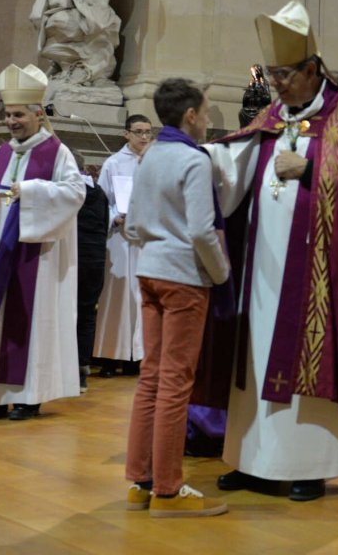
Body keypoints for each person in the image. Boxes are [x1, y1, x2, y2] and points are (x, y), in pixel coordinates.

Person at [201, 0, 338, 502]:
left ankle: (306, 465)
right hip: (263, 267)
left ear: (312, 70)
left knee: (304, 358)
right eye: (272, 76)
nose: (277, 86)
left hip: (320, 271)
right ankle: (251, 460)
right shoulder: (273, 115)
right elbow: (243, 158)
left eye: (285, 76)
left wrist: (312, 171)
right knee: (254, 358)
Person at [122, 78, 230, 518]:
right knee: (175, 383)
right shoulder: (192, 160)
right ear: (189, 116)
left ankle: (140, 481)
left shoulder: (147, 156)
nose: (207, 121)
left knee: (151, 378)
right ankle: (168, 491)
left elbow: (131, 224)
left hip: (148, 271)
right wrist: (220, 274)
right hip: (184, 277)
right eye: (205, 113)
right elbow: (203, 231)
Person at [0, 63, 86, 421]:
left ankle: (29, 396)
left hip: (39, 253)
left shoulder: (56, 152)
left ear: (37, 114)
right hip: (0, 249)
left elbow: (75, 191)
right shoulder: (1, 154)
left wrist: (32, 191)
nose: (11, 121)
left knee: (32, 321)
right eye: (7, 114)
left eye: (18, 114)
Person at [93, 114, 153, 377]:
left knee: (141, 296)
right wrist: (114, 217)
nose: (143, 137)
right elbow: (99, 203)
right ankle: (109, 356)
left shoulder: (154, 162)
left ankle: (137, 357)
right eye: (138, 131)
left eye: (148, 132)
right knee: (117, 297)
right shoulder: (113, 164)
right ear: (126, 134)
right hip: (118, 238)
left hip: (144, 239)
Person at [75, 154, 109, 393]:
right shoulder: (100, 193)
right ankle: (81, 373)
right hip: (95, 259)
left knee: (67, 315)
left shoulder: (69, 192)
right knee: (86, 315)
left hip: (73, 259)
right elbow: (105, 225)